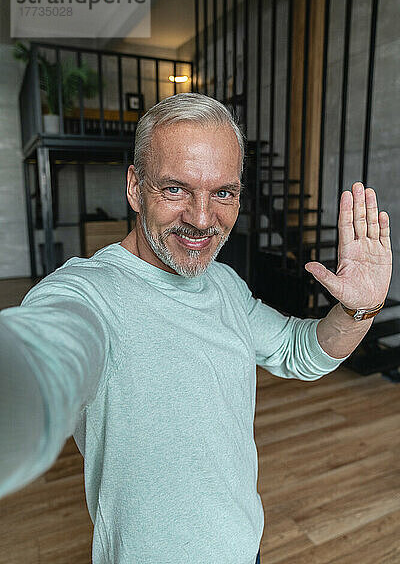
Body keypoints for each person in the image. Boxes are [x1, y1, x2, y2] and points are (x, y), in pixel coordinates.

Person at [0, 93, 392, 564]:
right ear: (134, 186)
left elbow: (299, 351)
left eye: (222, 192)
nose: (202, 219)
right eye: (176, 189)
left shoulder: (223, 282)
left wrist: (361, 310)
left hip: (244, 547)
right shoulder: (88, 294)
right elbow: (48, 348)